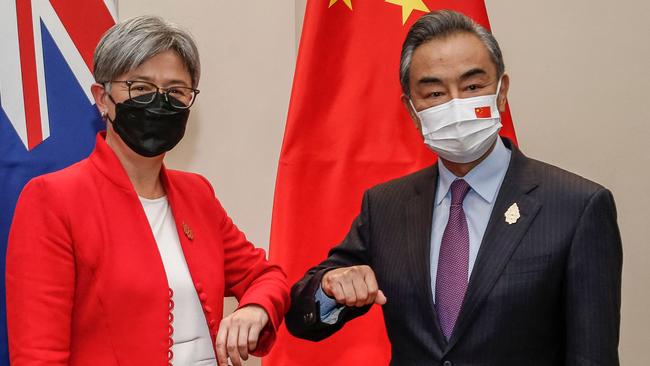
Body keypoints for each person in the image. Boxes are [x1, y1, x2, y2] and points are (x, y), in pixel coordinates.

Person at [286, 10, 622, 365]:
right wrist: (330, 288)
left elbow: (593, 356)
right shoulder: (386, 205)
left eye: (473, 87)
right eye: (434, 93)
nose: (456, 105)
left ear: (502, 92)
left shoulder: (577, 207)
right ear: (413, 111)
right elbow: (302, 318)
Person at [6, 16, 289, 366]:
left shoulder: (196, 194)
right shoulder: (52, 199)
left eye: (175, 92)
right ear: (103, 99)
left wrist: (255, 308)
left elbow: (267, 276)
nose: (159, 103)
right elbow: (38, 356)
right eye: (140, 88)